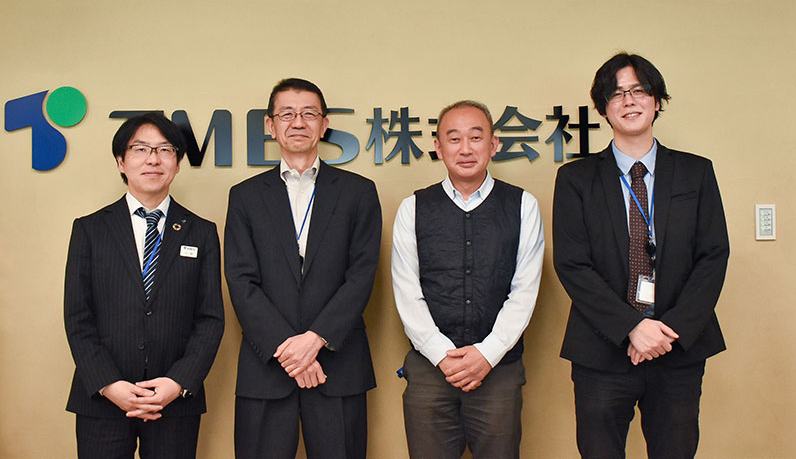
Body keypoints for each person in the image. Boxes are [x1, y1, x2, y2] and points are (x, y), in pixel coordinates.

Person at [553, 53, 730, 459]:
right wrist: (632, 326)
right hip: (602, 349)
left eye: (639, 90)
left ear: (657, 101)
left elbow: (713, 256)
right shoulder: (576, 179)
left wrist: (666, 331)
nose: (629, 101)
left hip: (676, 347)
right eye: (616, 94)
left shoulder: (696, 172)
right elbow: (573, 264)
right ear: (603, 108)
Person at [225, 78, 382, 459]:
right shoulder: (245, 196)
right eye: (287, 114)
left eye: (309, 114)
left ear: (324, 124)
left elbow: (361, 275)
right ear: (270, 124)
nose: (298, 122)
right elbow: (241, 280)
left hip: (337, 366)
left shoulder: (358, 192)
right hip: (267, 368)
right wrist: (289, 350)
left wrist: (314, 341)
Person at [64, 112, 225, 459]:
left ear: (177, 164)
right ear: (121, 162)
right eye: (140, 149)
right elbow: (78, 317)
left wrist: (177, 383)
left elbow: (210, 319)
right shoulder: (90, 229)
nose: (153, 159)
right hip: (103, 400)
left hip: (174, 401)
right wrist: (109, 384)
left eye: (165, 150)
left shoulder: (201, 231)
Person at [392, 100, 545, 459]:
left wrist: (487, 354)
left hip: (498, 369)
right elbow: (407, 290)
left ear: (494, 145)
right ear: (438, 146)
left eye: (476, 138)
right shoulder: (413, 208)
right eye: (454, 138)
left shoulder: (523, 205)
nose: (465, 149)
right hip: (430, 370)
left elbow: (524, 290)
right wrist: (441, 355)